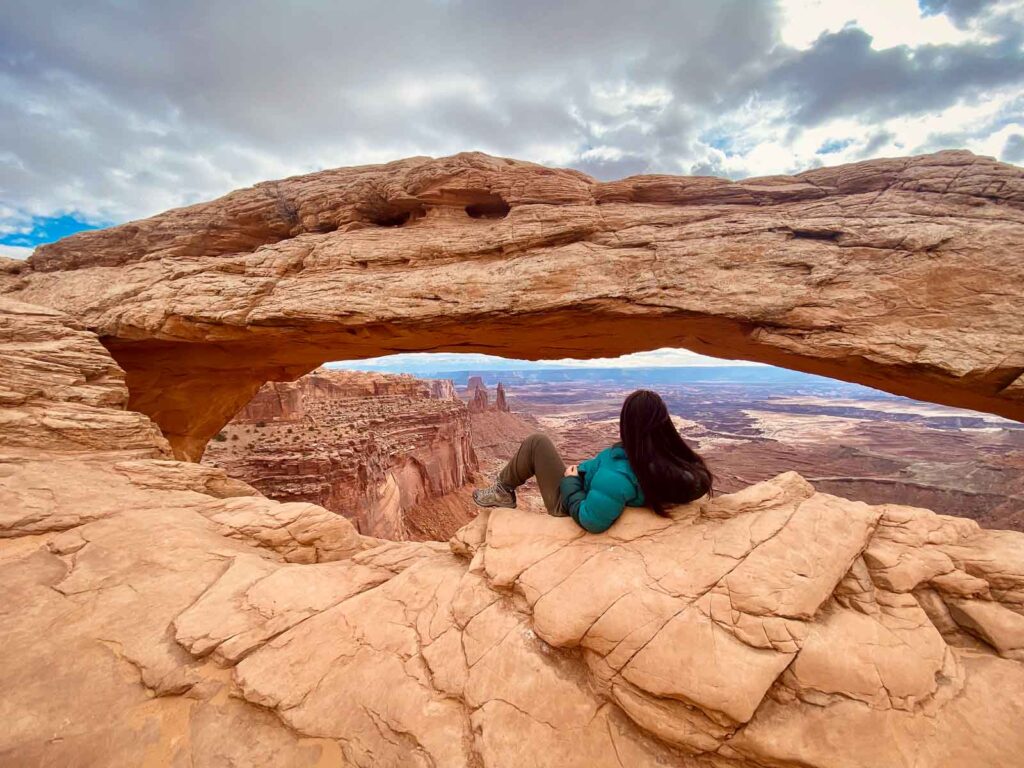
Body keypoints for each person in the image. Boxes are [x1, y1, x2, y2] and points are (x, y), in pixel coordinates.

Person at [472, 389, 713, 532]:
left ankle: (503, 490)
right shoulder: (670, 458)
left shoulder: (619, 476)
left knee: (537, 442)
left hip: (567, 503)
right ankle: (503, 488)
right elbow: (698, 481)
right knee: (541, 443)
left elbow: (591, 520)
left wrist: (570, 483)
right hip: (587, 485)